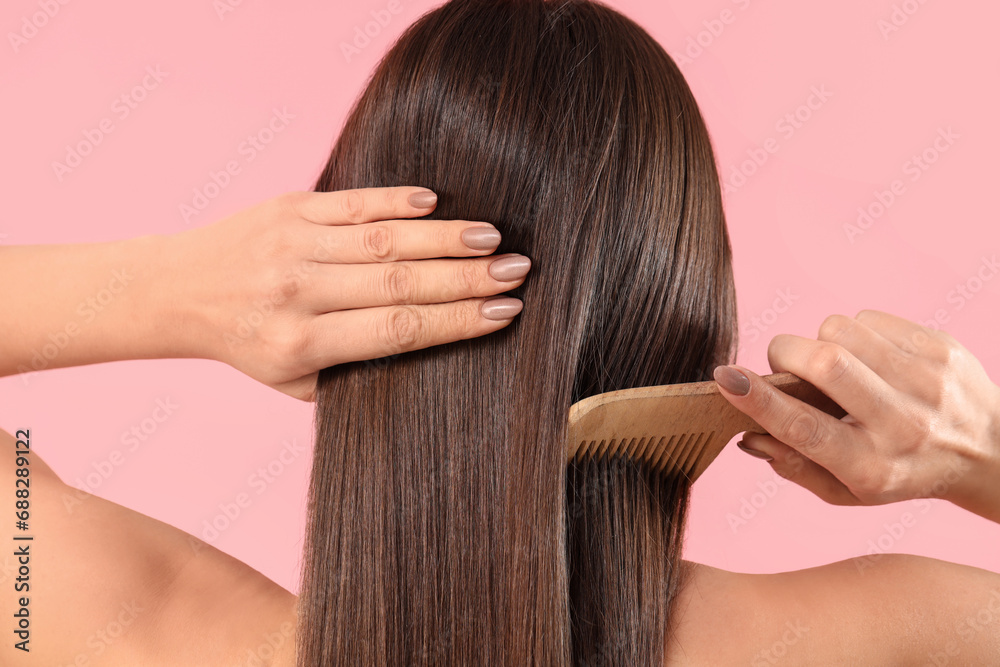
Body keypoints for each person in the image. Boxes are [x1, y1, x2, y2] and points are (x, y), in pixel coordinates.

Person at [2, 3, 998, 667]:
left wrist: (177, 287)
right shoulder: (883, 636)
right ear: (684, 307)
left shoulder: (130, 622)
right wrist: (977, 458)